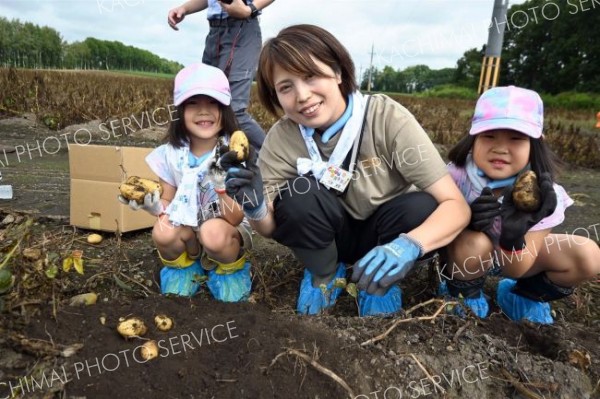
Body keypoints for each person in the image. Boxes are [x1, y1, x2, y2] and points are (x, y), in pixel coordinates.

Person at [219, 24, 471, 317]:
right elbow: (271, 229)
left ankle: (381, 279)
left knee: (423, 206)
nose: (302, 95)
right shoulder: (283, 138)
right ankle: (324, 274)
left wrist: (410, 245)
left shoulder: (386, 118)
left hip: (384, 232)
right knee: (298, 197)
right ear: (276, 97)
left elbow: (457, 207)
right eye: (286, 87)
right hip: (329, 236)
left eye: (311, 76)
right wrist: (257, 207)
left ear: (338, 72)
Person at [441, 86, 600, 323]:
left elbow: (516, 269)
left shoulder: (546, 195)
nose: (500, 148)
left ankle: (521, 296)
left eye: (516, 138)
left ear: (535, 143)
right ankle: (462, 293)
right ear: (473, 137)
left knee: (588, 255)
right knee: (473, 241)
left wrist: (513, 237)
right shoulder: (456, 176)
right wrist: (465, 220)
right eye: (489, 136)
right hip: (466, 257)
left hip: (515, 259)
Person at [119, 63, 253, 302]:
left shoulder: (233, 152)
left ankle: (227, 270)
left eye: (213, 103)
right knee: (162, 231)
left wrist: (221, 188)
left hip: (223, 228)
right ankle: (187, 268)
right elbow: (168, 199)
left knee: (212, 233)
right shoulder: (171, 154)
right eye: (193, 103)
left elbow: (235, 218)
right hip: (188, 227)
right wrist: (154, 207)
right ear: (179, 111)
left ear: (226, 110)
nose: (204, 111)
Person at [167, 0, 275, 151]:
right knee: (207, 99)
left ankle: (276, 158)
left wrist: (250, 9)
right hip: (215, 32)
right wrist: (184, 8)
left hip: (242, 27)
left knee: (233, 110)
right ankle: (209, 160)